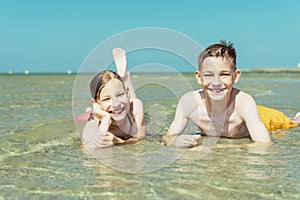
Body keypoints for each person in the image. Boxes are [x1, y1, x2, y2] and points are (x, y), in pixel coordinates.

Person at [163, 40, 300, 147]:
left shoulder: (244, 103)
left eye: (224, 74)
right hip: (251, 114)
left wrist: (217, 149)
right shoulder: (188, 102)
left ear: (236, 76)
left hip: (264, 118)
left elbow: (264, 144)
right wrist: (172, 142)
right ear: (199, 77)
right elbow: (169, 136)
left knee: (291, 122)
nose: (216, 83)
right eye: (209, 75)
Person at [78, 48, 146, 148]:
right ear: (96, 103)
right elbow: (87, 146)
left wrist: (118, 141)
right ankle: (122, 79)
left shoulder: (137, 107)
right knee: (120, 102)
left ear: (127, 93)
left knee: (131, 102)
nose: (115, 103)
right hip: (99, 112)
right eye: (106, 99)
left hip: (129, 110)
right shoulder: (95, 119)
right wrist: (105, 119)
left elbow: (141, 137)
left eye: (120, 95)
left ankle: (124, 77)